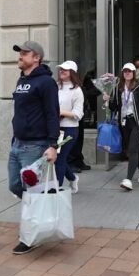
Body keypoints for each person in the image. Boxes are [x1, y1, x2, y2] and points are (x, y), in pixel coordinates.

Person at [9, 40, 60, 255]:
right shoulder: (22, 80)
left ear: (36, 57)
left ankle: (30, 237)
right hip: (18, 143)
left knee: (31, 193)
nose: (20, 56)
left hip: (35, 145)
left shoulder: (46, 83)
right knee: (14, 186)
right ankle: (42, 215)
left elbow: (52, 113)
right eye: (20, 52)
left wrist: (52, 145)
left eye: (25, 53)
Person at [106, 63, 139, 191]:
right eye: (125, 71)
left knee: (133, 149)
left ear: (134, 73)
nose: (127, 73)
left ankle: (128, 180)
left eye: (130, 71)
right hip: (124, 122)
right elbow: (115, 107)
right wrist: (108, 100)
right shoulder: (119, 88)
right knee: (134, 149)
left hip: (138, 122)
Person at [56, 60, 82, 193]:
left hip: (70, 129)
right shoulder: (56, 86)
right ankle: (72, 178)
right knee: (57, 158)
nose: (61, 71)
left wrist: (60, 112)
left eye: (65, 69)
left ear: (72, 72)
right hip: (55, 128)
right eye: (61, 69)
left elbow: (78, 114)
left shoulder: (77, 91)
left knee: (59, 159)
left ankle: (56, 190)